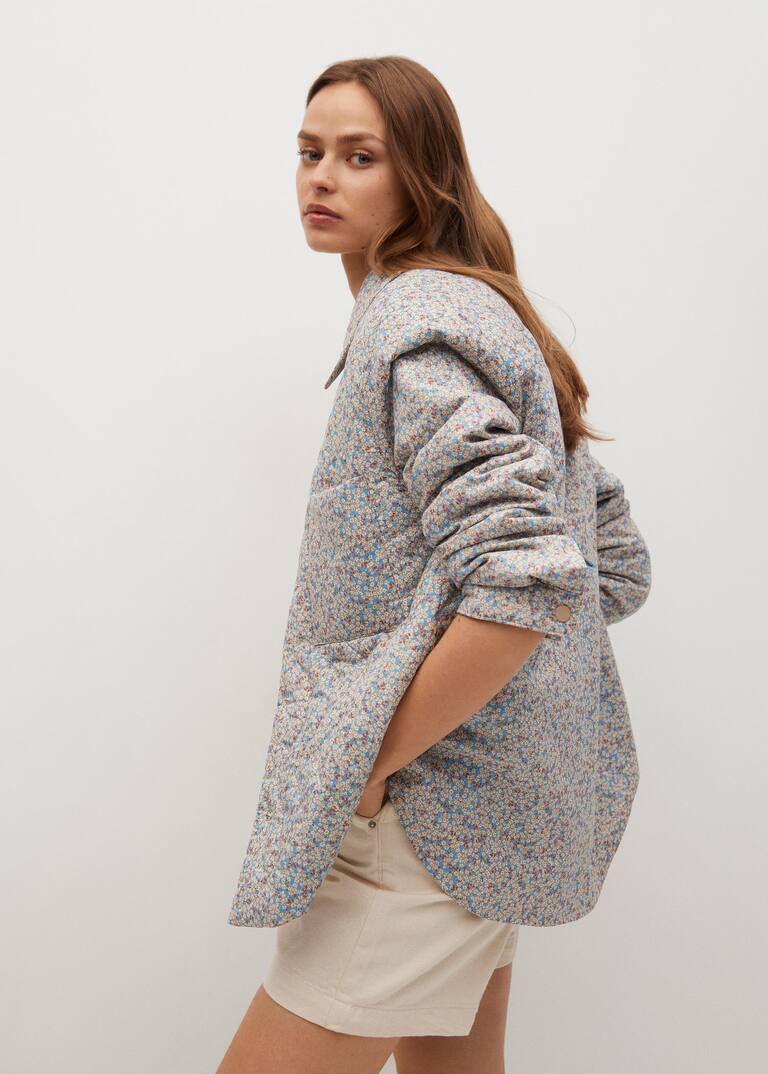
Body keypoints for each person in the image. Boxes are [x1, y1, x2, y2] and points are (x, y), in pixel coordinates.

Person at [217, 56, 652, 1074]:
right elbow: (610, 561)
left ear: (422, 175)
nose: (321, 177)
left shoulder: (417, 333)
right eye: (309, 152)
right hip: (487, 810)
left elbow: (531, 576)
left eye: (359, 156)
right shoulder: (481, 314)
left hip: (428, 816)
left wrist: (373, 760)